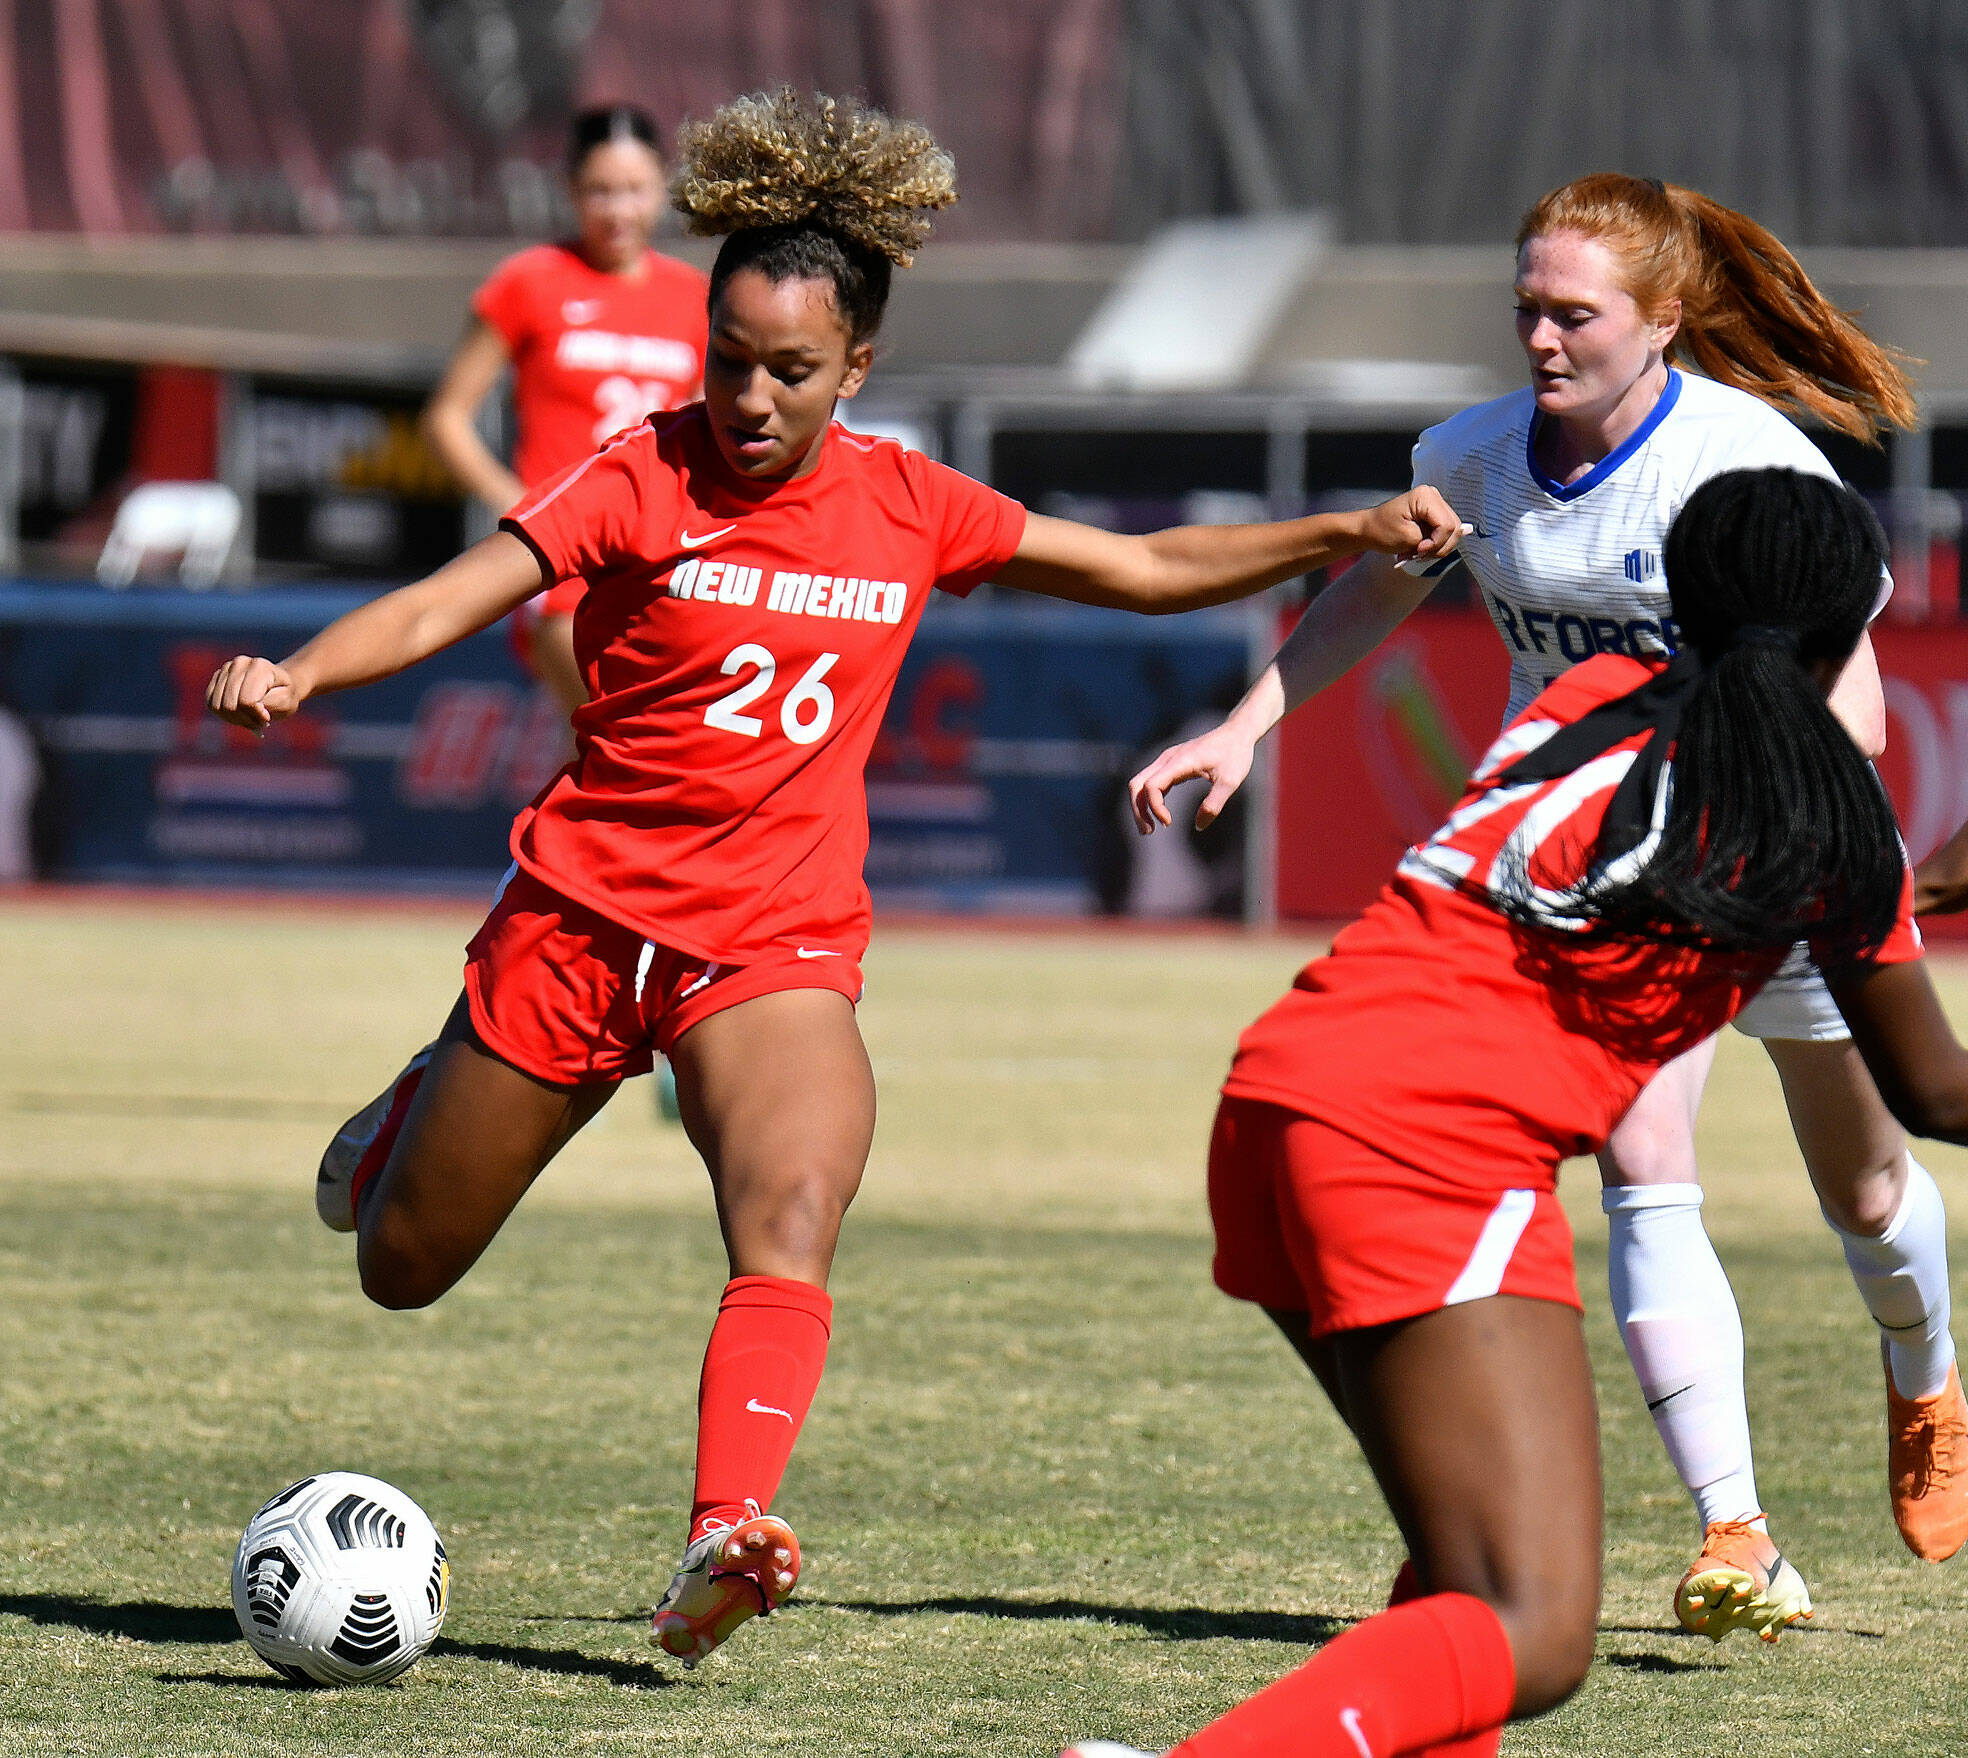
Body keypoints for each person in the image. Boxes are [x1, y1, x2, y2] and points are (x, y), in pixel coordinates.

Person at [205, 89, 1464, 1671]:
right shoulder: (636, 475)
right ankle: (416, 1100)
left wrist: (1347, 524)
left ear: (855, 367)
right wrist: (301, 670)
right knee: (400, 1265)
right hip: (580, 923)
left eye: (787, 369)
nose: (745, 391)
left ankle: (725, 1532)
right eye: (725, 354)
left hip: (772, 942)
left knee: (792, 1209)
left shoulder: (907, 501)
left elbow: (1139, 570)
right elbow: (456, 594)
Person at [1130, 172, 1968, 1637]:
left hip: (1760, 847)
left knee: (1863, 1183)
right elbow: (1374, 596)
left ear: (1663, 322)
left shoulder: (1748, 470)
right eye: (1525, 306)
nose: (1539, 337)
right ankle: (1737, 1528)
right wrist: (1246, 724)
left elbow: (1853, 713)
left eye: (1573, 312)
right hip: (1600, 881)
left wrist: (1737, 781)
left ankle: (1923, 1376)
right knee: (1638, 1151)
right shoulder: (1469, 457)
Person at [1066, 468, 1968, 1758]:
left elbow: (1642, 895)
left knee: (1460, 1577)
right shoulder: (1820, 814)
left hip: (1277, 1101)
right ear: (1843, 631)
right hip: (1431, 1152)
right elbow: (1938, 1090)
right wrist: (1898, 892)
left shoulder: (1583, 700)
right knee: (1534, 1629)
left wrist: (1918, 893)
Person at [423, 104, 710, 717]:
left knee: (610, 751)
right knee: (614, 728)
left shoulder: (696, 297)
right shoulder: (531, 281)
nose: (618, 210)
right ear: (571, 191)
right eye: (600, 191)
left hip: (661, 554)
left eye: (634, 190)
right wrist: (518, 506)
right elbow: (447, 417)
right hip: (565, 559)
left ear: (663, 186)